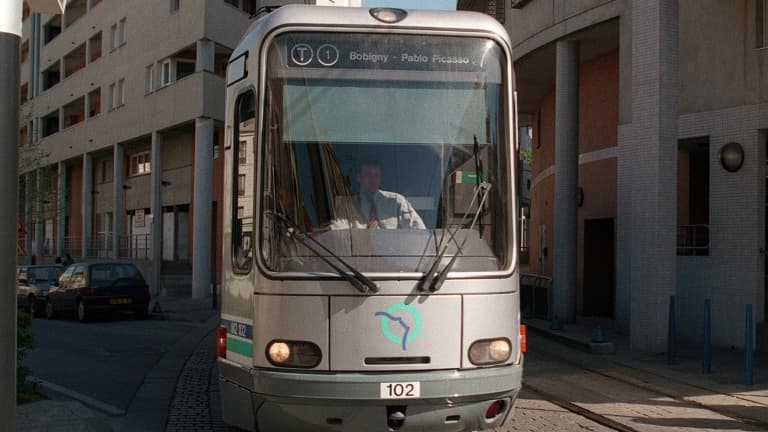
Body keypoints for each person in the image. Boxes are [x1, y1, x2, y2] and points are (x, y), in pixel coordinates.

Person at [352, 161, 426, 230]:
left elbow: (419, 231)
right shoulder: (349, 205)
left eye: (376, 175)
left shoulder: (397, 201)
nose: (373, 179)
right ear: (359, 177)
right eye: (368, 174)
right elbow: (341, 235)